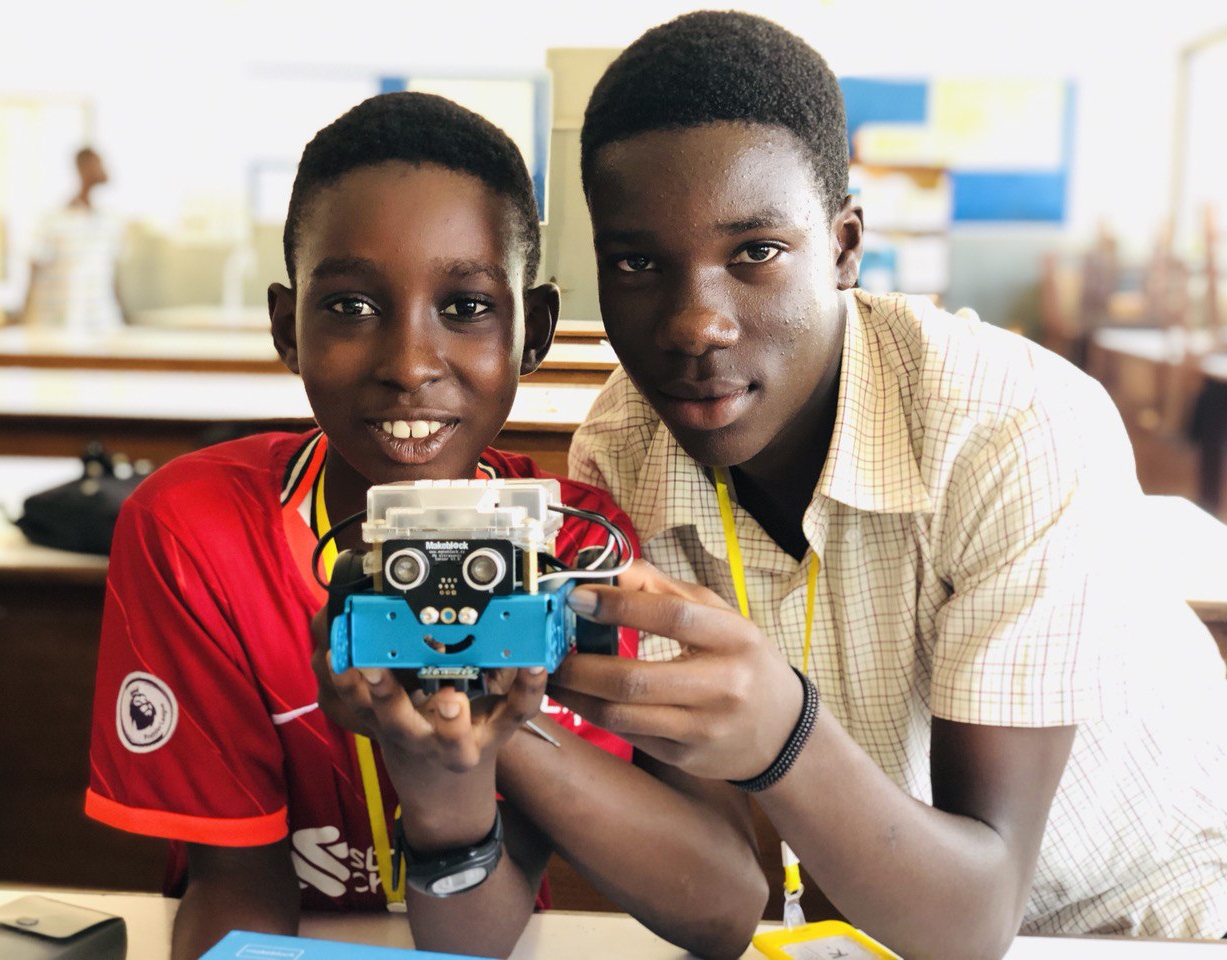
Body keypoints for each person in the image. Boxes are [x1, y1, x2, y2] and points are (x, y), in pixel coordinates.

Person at [554, 11, 1227, 957]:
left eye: (755, 252)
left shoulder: (1013, 427)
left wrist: (783, 736)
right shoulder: (619, 454)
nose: (695, 322)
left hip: (1154, 914)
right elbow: (724, 875)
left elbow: (980, 915)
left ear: (843, 245)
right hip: (877, 917)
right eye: (637, 263)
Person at [84, 92, 764, 960]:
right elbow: (238, 893)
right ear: (287, 327)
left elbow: (676, 916)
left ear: (535, 330)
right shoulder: (195, 535)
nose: (409, 365)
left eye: (468, 306)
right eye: (351, 308)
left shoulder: (576, 549)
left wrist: (475, 753)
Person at [21, 146, 127, 331]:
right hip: (60, 325)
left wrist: (124, 315)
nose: (105, 169)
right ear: (82, 168)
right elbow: (34, 268)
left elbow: (112, 276)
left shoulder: (109, 222)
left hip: (103, 323)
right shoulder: (54, 220)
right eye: (99, 163)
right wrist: (24, 317)